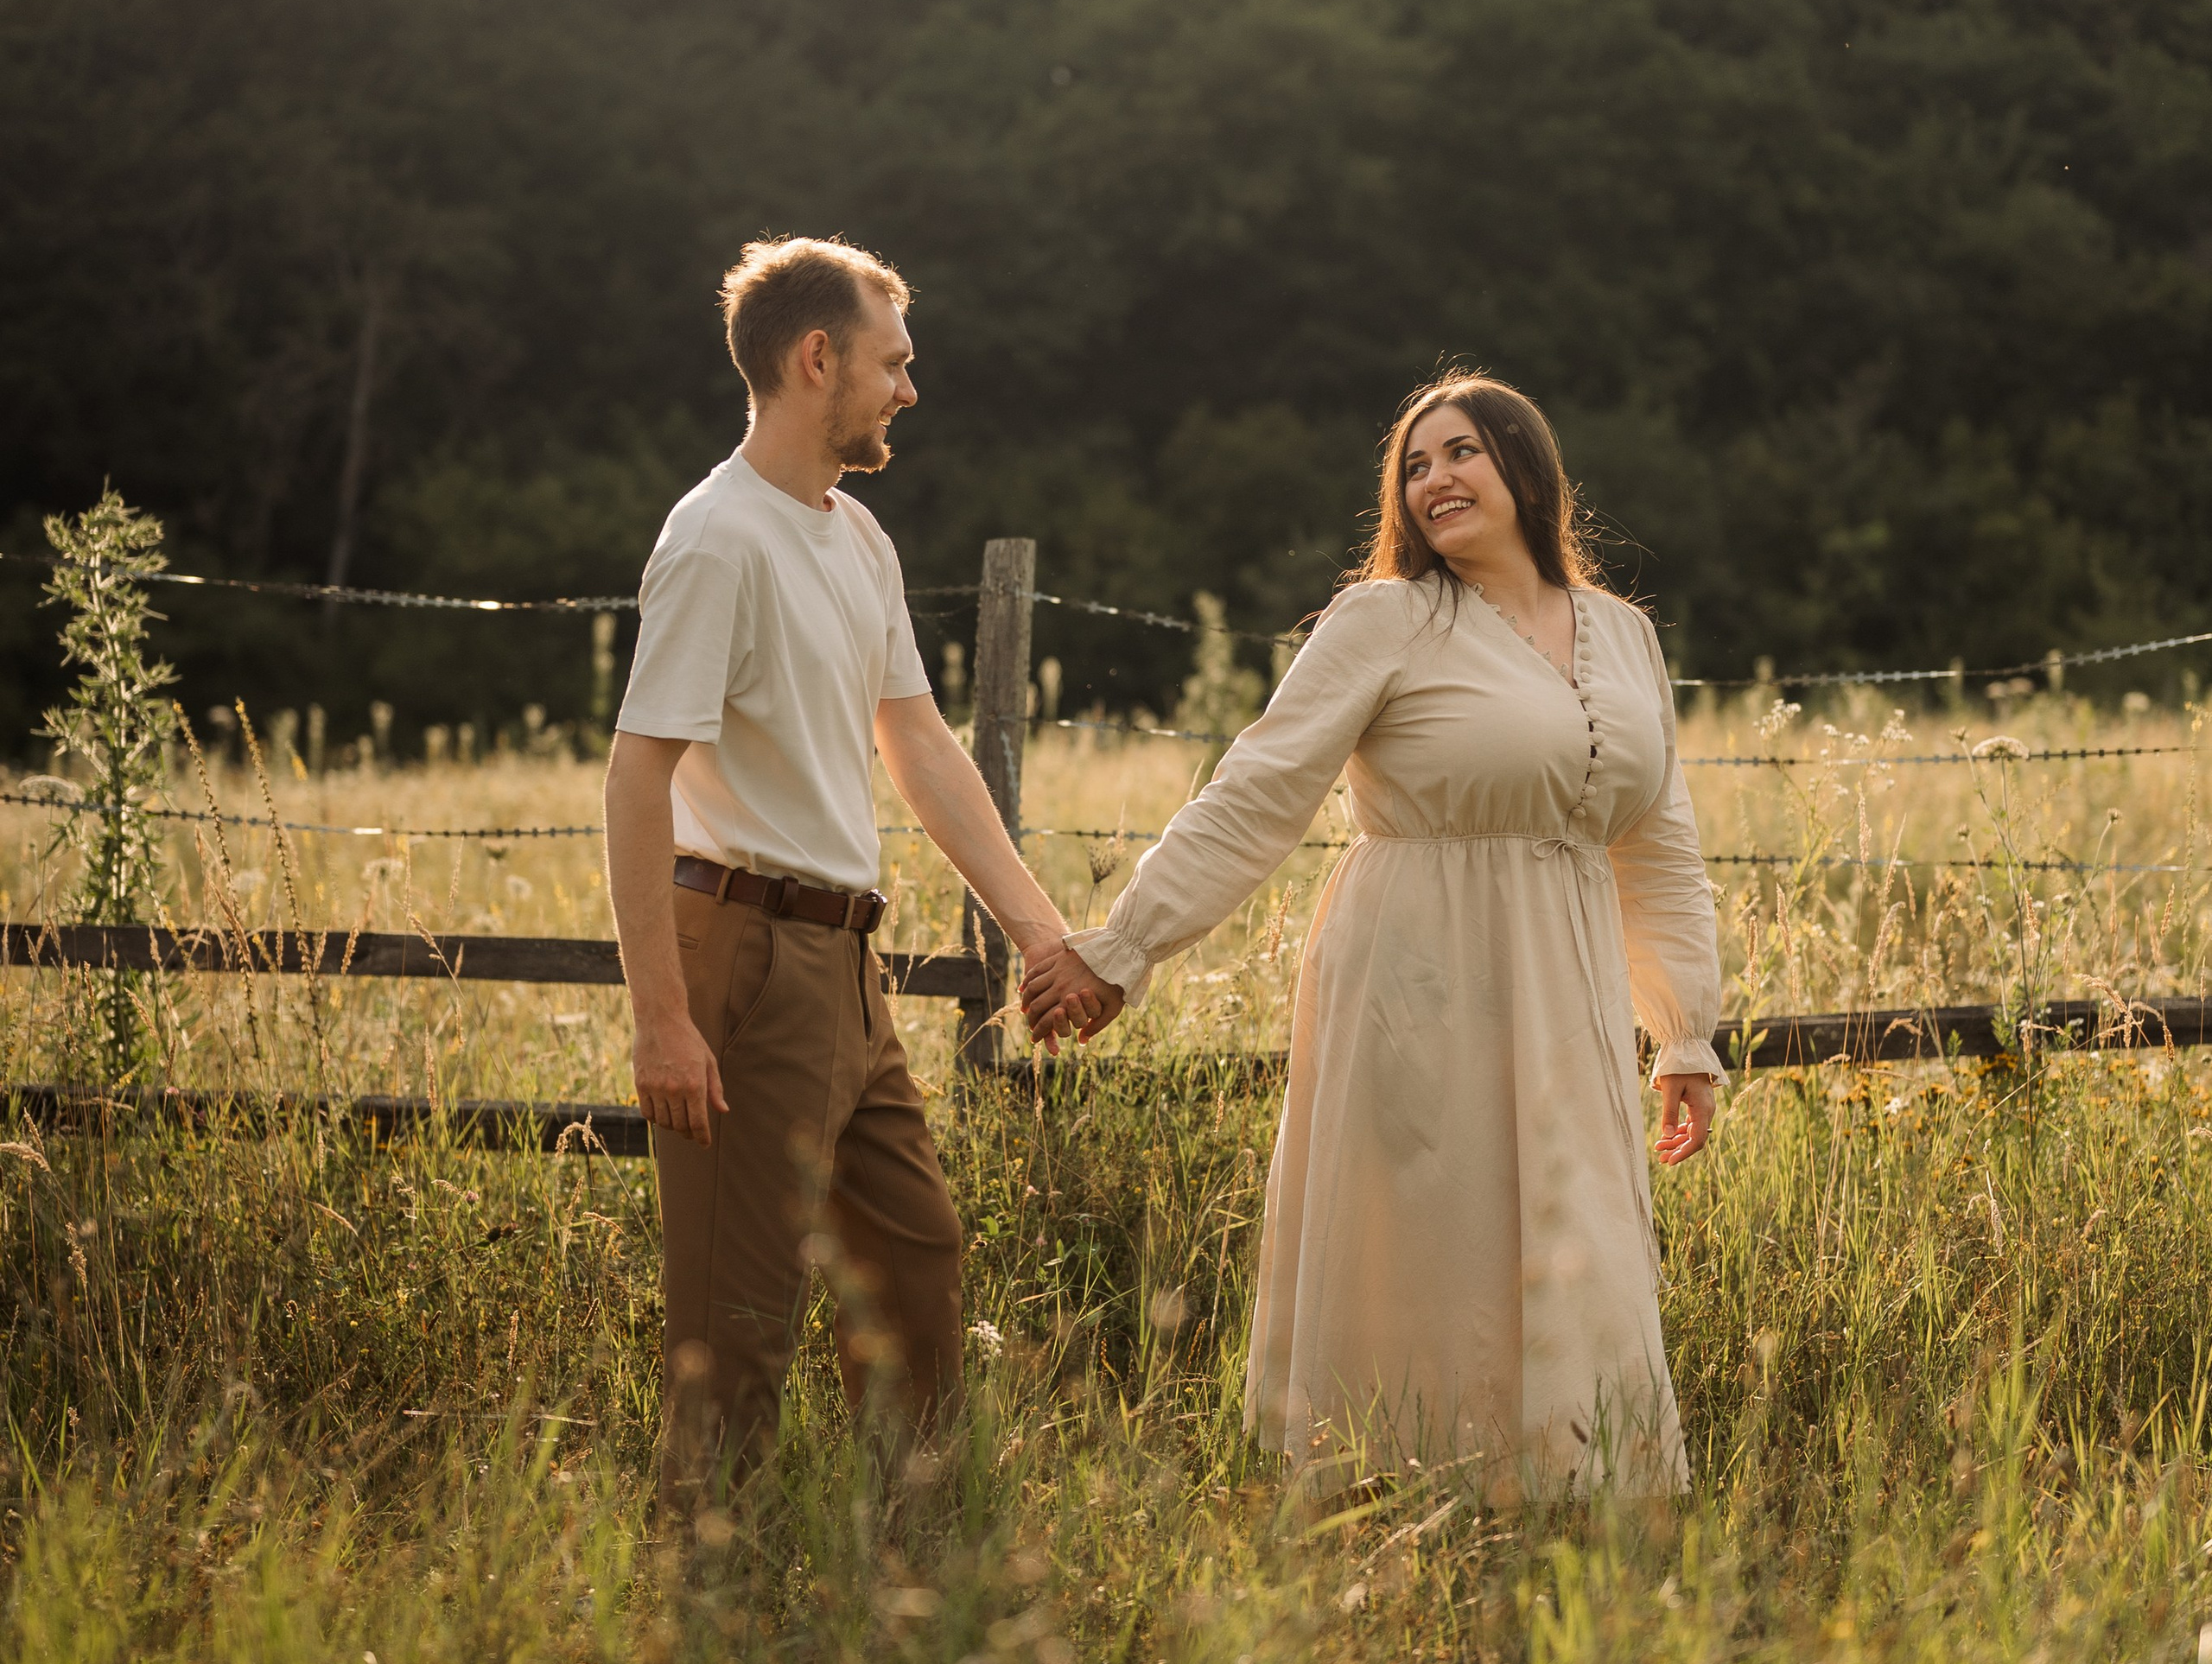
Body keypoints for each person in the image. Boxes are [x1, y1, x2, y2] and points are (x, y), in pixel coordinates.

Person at [1021, 375, 1722, 1496]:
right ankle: (1401, 1510)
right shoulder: (1385, 619)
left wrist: (1685, 1032)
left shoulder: (1627, 639)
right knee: (1431, 1252)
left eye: (1462, 453)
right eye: (1414, 465)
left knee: (1580, 1235)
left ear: (1528, 470)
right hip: (1421, 973)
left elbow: (1660, 850)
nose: (1435, 478)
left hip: (1569, 986)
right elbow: (1257, 793)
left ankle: (1578, 1501)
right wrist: (1126, 943)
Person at [604, 234, 1071, 1499]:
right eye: (893, 363)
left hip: (846, 969)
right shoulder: (716, 540)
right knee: (737, 1322)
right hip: (745, 958)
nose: (909, 390)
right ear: (818, 360)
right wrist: (661, 1020)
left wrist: (1040, 935)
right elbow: (637, 777)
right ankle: (715, 1600)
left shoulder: (855, 537)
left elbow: (918, 745)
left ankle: (912, 1553)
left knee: (918, 1266)